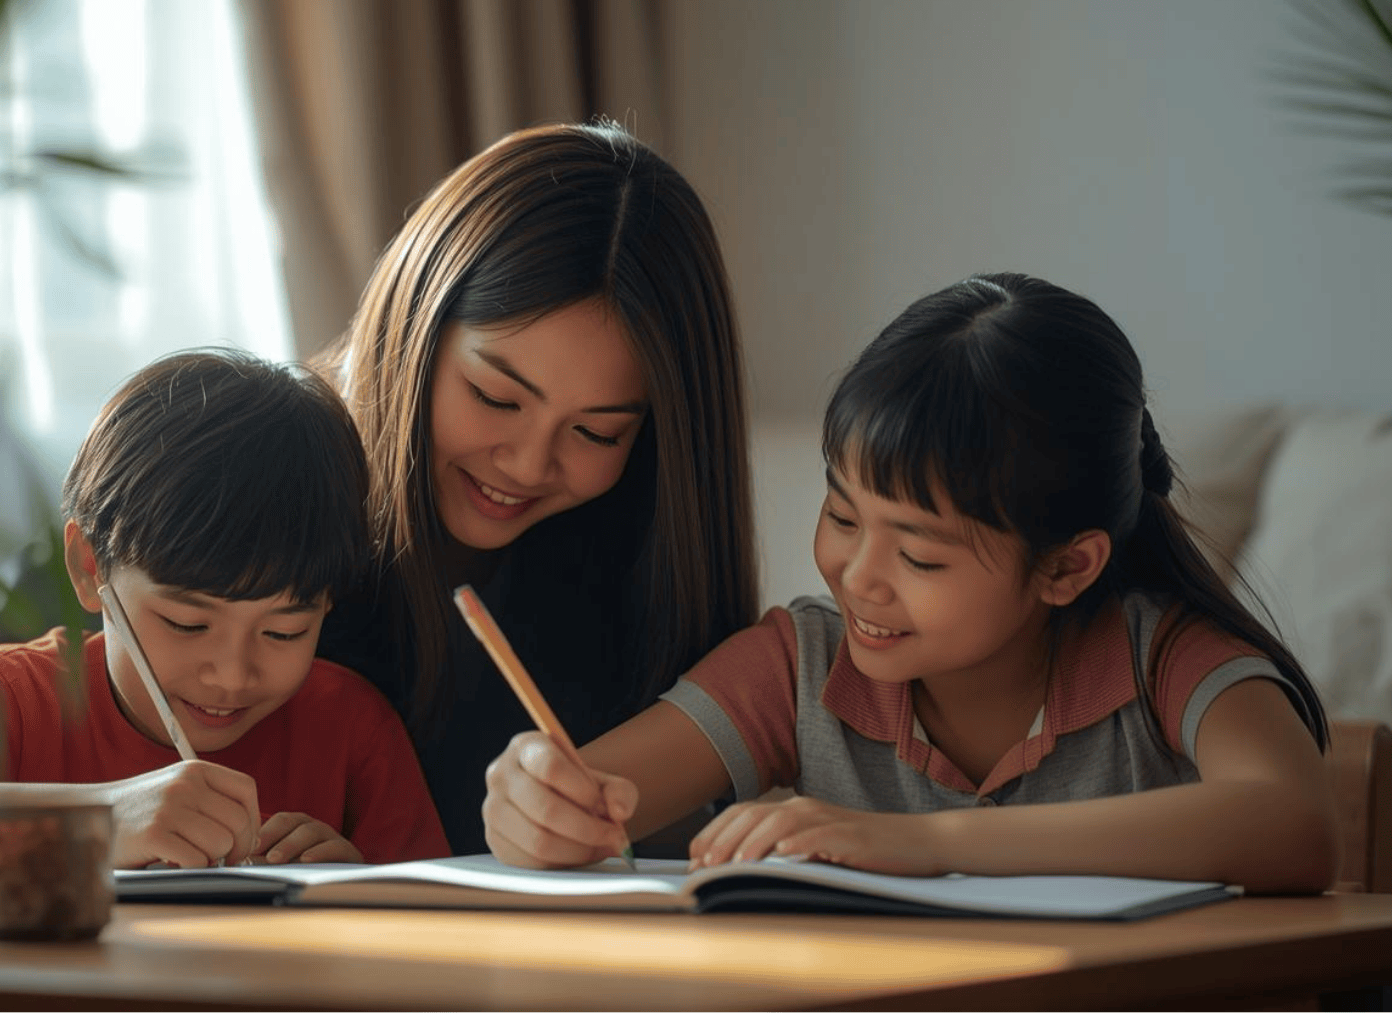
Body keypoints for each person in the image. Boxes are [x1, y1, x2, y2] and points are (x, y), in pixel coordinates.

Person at [482, 273, 1340, 893]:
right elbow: (597, 797)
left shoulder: (1164, 658)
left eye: (921, 556)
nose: (857, 578)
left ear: (1068, 566)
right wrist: (538, 801)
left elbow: (1295, 825)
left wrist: (927, 843)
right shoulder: (800, 666)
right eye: (843, 517)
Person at [0, 350, 450, 879]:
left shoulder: (351, 729)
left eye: (284, 631)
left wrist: (355, 892)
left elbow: (442, 942)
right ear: (88, 569)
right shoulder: (11, 706)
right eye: (188, 624)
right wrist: (96, 822)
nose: (230, 674)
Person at [312, 121, 759, 855]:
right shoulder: (283, 481)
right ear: (415, 330)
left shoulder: (634, 561)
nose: (525, 465)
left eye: (597, 433)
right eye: (495, 396)